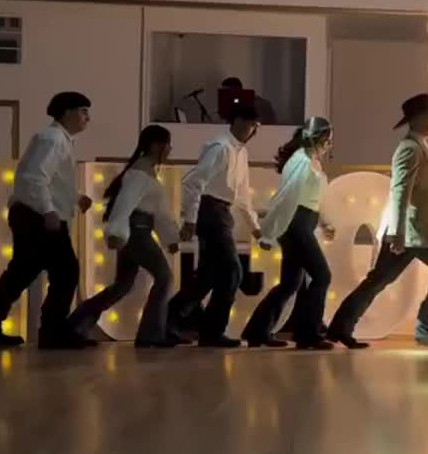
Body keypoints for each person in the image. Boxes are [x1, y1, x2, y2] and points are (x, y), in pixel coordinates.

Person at [327, 92, 428, 349]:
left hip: (416, 232)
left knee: (379, 280)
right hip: (412, 233)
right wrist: (398, 233)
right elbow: (401, 192)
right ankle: (425, 329)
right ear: (418, 119)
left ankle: (340, 327)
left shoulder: (418, 148)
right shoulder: (409, 149)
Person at [0, 90, 94, 349]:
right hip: (37, 215)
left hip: (33, 213)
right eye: (83, 111)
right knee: (65, 272)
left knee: (23, 272)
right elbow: (33, 178)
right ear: (67, 112)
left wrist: (75, 197)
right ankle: (52, 332)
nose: (87, 117)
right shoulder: (52, 139)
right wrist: (49, 210)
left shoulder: (59, 140)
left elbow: (51, 180)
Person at [71, 125, 180, 349]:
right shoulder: (140, 173)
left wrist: (170, 238)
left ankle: (75, 325)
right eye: (166, 144)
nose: (170, 149)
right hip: (137, 233)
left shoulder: (146, 171)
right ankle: (151, 334)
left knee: (122, 286)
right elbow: (125, 205)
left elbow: (157, 211)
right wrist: (116, 232)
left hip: (137, 231)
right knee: (164, 277)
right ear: (154, 145)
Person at [167, 99, 261, 347]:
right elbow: (193, 183)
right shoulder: (220, 148)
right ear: (238, 120)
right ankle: (210, 331)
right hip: (211, 211)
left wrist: (254, 227)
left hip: (222, 212)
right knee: (231, 272)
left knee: (208, 274)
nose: (253, 130)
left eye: (256, 126)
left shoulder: (240, 152)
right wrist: (190, 219)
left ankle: (172, 320)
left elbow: (241, 194)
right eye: (251, 124)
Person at [242, 117, 335, 350]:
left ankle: (258, 331)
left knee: (290, 283)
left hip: (302, 223)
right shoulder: (301, 161)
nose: (329, 145)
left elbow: (314, 198)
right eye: (328, 139)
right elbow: (286, 198)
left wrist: (324, 223)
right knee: (322, 276)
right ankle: (308, 334)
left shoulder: (311, 161)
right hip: (296, 225)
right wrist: (268, 233)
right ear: (319, 137)